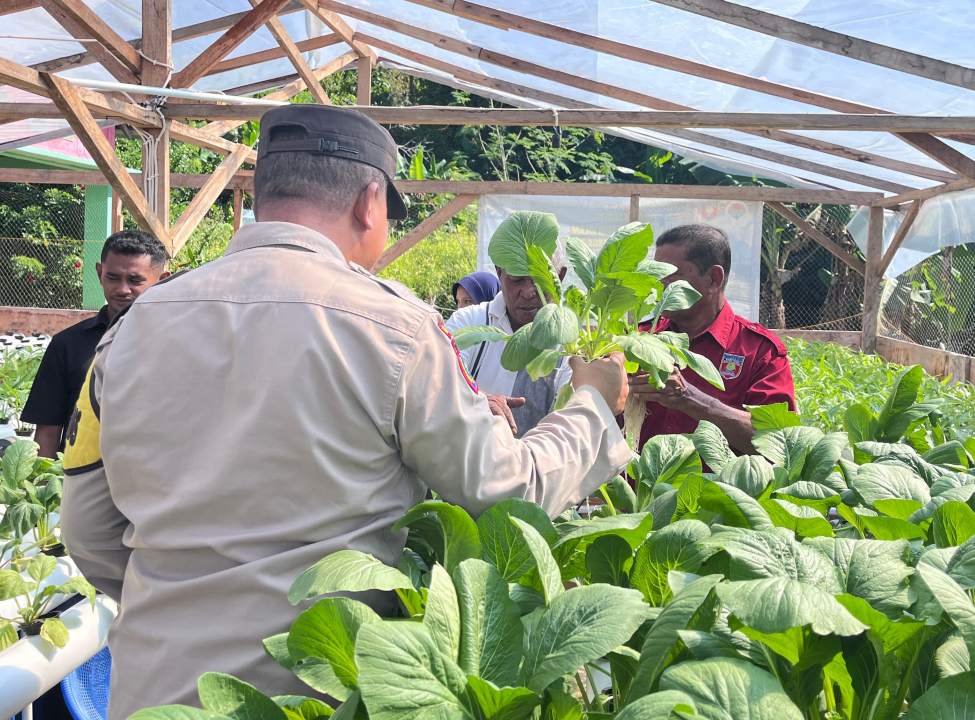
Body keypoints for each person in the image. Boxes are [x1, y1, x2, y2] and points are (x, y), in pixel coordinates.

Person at [59, 104, 630, 719]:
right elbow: (504, 491)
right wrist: (593, 404)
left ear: (258, 194)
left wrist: (184, 601)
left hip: (156, 688)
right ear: (369, 203)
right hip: (318, 693)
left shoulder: (130, 331)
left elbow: (88, 530)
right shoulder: (396, 327)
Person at [632, 224, 796, 454]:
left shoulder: (759, 352)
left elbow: (779, 443)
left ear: (713, 279)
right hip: (635, 489)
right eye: (655, 274)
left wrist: (689, 398)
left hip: (714, 490)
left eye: (670, 276)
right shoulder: (640, 339)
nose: (658, 285)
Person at [20, 230, 169, 459]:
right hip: (83, 480)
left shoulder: (175, 343)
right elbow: (48, 431)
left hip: (154, 481)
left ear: (163, 280)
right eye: (113, 277)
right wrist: (39, 489)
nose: (122, 289)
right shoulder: (67, 344)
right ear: (99, 273)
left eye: (135, 280)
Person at [445, 250, 573, 436]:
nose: (529, 293)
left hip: (537, 463)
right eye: (517, 279)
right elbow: (438, 381)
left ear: (559, 278)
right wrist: (479, 401)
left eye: (540, 278)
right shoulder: (467, 322)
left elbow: (570, 427)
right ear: (499, 273)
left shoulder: (573, 344)